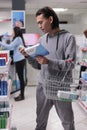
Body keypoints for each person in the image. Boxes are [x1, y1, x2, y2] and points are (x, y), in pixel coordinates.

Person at [19, 6, 76, 130]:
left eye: (41, 22)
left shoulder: (68, 38)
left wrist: (48, 61)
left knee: (68, 122)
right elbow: (38, 65)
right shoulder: (42, 40)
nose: (39, 26)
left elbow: (71, 63)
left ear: (50, 19)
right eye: (38, 23)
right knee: (40, 122)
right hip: (43, 86)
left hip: (61, 87)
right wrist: (28, 56)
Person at [0, 26, 26, 101]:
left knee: (21, 78)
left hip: (19, 60)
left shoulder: (18, 39)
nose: (12, 33)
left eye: (13, 31)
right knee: (21, 78)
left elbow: (10, 47)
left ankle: (22, 95)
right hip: (20, 60)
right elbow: (11, 47)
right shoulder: (18, 39)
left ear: (16, 32)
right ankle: (21, 94)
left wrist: (1, 43)